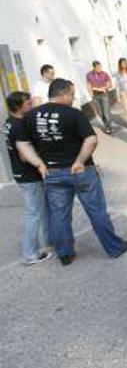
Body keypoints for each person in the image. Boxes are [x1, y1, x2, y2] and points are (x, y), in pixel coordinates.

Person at [15, 78, 127, 266]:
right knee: (97, 211)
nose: (73, 98)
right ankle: (114, 247)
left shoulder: (31, 116)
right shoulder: (74, 114)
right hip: (81, 171)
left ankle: (65, 253)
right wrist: (79, 161)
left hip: (52, 172)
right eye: (72, 94)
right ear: (63, 93)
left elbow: (22, 144)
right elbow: (91, 140)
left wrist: (39, 164)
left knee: (59, 215)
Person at [3, 91, 52, 265]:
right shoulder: (19, 126)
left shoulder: (9, 122)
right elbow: (24, 155)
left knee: (41, 209)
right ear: (18, 106)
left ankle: (49, 239)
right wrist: (40, 160)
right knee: (35, 214)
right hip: (28, 175)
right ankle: (30, 253)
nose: (31, 105)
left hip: (20, 174)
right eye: (28, 103)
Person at [86, 61, 114, 134]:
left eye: (100, 67)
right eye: (98, 67)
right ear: (94, 68)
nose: (100, 69)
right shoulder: (89, 75)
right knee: (100, 113)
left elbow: (110, 84)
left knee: (106, 112)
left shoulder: (104, 74)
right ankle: (106, 124)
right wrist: (91, 94)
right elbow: (88, 85)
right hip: (95, 96)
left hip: (104, 95)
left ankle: (108, 127)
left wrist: (104, 87)